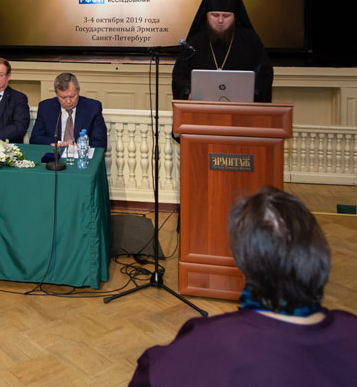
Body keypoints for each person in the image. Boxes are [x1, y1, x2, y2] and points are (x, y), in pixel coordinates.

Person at [129, 186, 357, 387]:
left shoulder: (207, 341)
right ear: (319, 253)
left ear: (244, 262)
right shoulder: (350, 330)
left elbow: (152, 377)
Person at [172, 0, 273, 102]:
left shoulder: (250, 40)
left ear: (234, 17)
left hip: (241, 107)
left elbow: (265, 73)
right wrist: (188, 94)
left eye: (226, 16)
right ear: (206, 16)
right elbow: (179, 76)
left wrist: (252, 93)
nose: (220, 20)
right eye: (215, 15)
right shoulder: (195, 42)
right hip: (203, 107)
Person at [29, 72, 107, 149]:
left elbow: (100, 142)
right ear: (56, 94)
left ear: (78, 91)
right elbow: (35, 139)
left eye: (72, 96)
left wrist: (79, 146)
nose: (68, 101)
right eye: (63, 97)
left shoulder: (92, 108)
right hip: (55, 154)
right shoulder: (45, 107)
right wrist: (60, 143)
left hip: (81, 154)